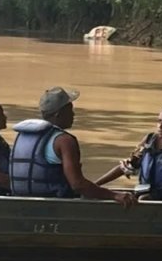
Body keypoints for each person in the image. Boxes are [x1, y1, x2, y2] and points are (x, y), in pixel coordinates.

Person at [9, 86, 137, 207]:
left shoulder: (23, 135)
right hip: (55, 206)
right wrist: (113, 195)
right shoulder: (64, 141)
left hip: (21, 202)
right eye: (70, 110)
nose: (74, 115)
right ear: (58, 114)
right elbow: (78, 184)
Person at [95, 99, 162, 200]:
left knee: (143, 198)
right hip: (146, 192)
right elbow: (127, 166)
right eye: (159, 121)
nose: (160, 126)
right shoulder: (149, 141)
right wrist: (95, 185)